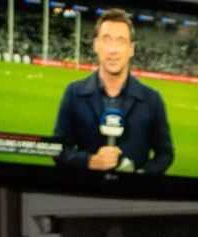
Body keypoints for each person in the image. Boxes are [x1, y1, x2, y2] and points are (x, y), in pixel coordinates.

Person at [52, 9, 174, 175]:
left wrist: (144, 175)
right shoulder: (74, 93)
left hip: (132, 197)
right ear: (96, 45)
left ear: (131, 49)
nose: (113, 50)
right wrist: (90, 161)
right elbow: (58, 149)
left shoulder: (152, 99)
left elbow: (165, 153)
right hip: (85, 194)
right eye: (106, 40)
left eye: (121, 41)